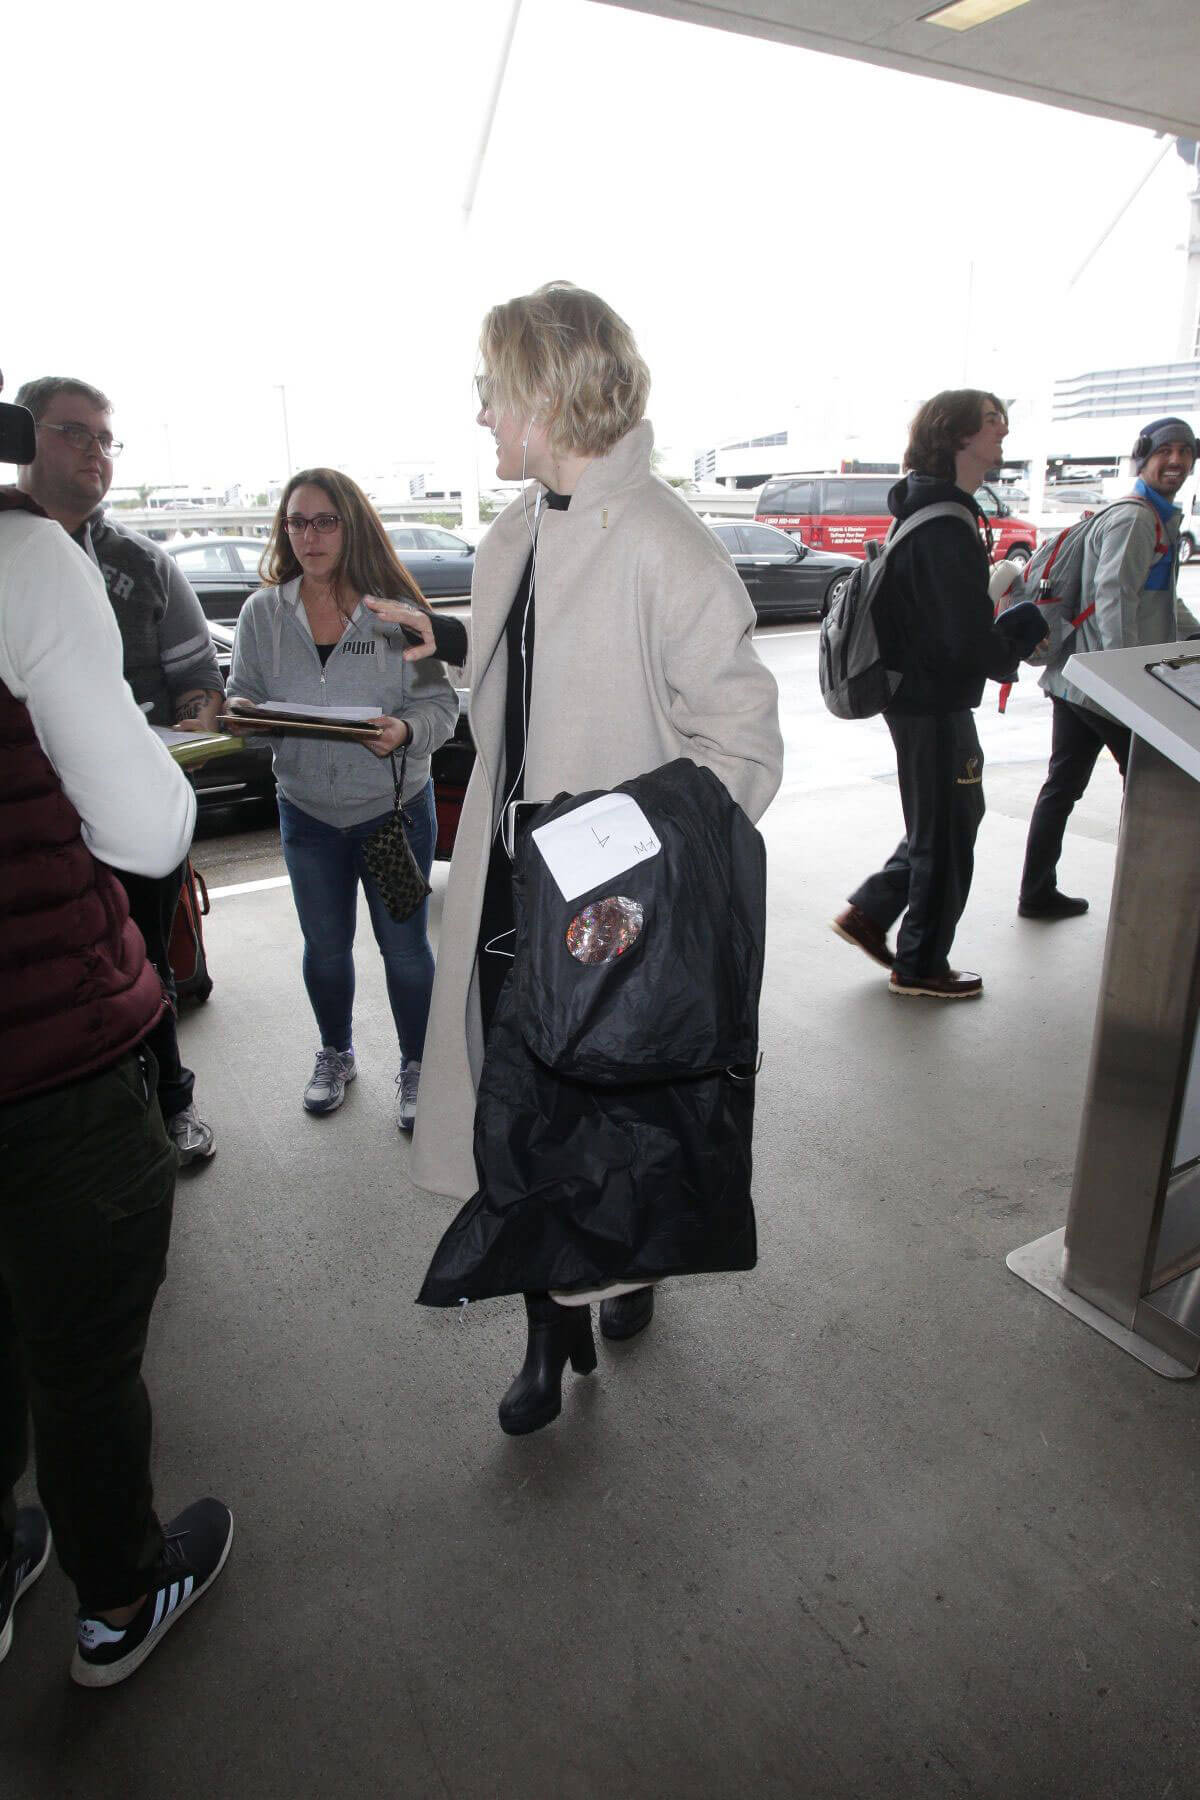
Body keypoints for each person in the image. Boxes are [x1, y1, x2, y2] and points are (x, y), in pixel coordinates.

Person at [375, 281, 782, 1436]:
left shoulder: (667, 544)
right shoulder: (516, 532)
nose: (481, 415)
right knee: (525, 1112)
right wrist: (452, 642)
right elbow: (532, 689)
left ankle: (626, 1262)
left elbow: (742, 749)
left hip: (608, 909)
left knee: (607, 1109)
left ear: (547, 393)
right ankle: (547, 1335)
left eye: (492, 391)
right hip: (512, 886)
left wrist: (621, 866)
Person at [0, 402, 232, 1687]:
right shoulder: (29, 558)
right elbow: (146, 829)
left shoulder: (124, 555)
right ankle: (117, 1602)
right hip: (44, 1046)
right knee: (81, 1347)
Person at [15, 374, 221, 1166]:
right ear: (24, 437)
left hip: (127, 811)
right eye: (75, 433)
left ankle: (172, 1102)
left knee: (144, 963)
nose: (96, 452)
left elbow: (199, 678)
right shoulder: (12, 552)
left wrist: (192, 727)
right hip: (33, 821)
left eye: (106, 438)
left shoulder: (146, 562)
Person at [227, 470, 459, 1129]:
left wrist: (407, 731)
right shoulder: (262, 613)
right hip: (307, 819)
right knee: (324, 948)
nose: (309, 535)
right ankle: (336, 1052)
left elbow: (439, 706)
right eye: (297, 522)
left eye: (325, 520)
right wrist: (245, 717)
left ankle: (420, 1067)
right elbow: (244, 695)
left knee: (405, 948)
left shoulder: (394, 613)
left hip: (391, 817)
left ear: (351, 526)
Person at [832, 389, 1047, 1000]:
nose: (1002, 431)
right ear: (956, 435)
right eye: (991, 422)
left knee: (950, 817)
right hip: (931, 699)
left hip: (921, 696)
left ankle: (873, 912)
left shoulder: (931, 510)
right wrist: (1020, 631)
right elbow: (961, 639)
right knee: (947, 828)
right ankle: (921, 963)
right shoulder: (945, 523)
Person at [1018, 416, 1200, 919]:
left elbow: (1157, 598)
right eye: (1167, 451)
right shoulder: (1137, 518)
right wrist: (1128, 683)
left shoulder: (1157, 517)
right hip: (1104, 687)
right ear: (1144, 457)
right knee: (1150, 790)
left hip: (1077, 679)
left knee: (1063, 785)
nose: (1178, 462)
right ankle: (1146, 902)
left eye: (1187, 452)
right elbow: (1113, 595)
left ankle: (1036, 891)